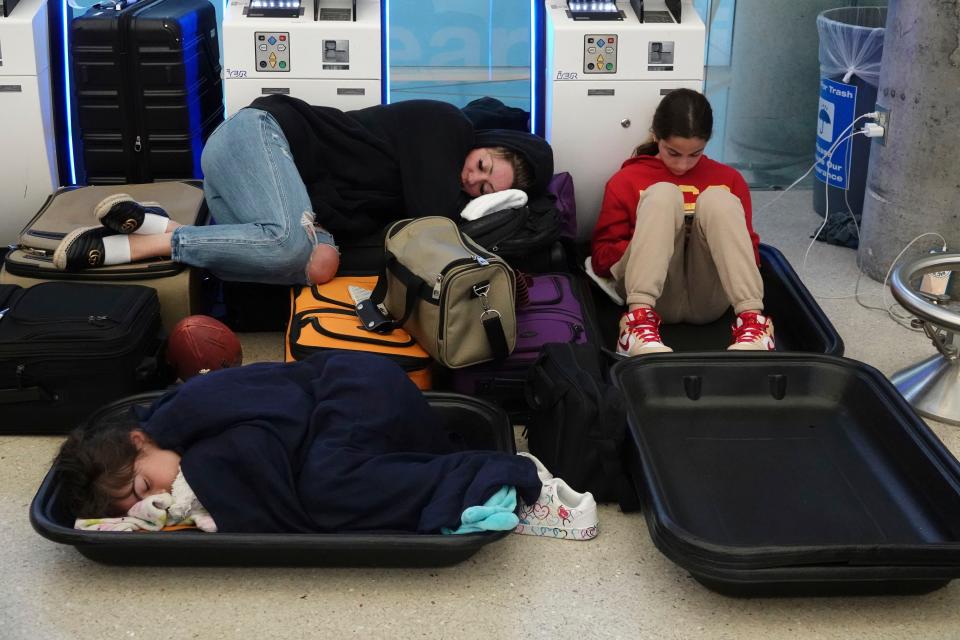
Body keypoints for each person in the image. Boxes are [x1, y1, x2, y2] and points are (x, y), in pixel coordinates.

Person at [52, 95, 554, 286]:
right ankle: (130, 247)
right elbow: (434, 221)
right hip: (262, 134)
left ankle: (159, 223)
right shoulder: (446, 125)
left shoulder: (442, 177)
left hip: (274, 191)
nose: (472, 181)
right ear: (485, 144)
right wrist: (490, 205)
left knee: (317, 265)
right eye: (482, 166)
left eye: (486, 187)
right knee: (287, 245)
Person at [54, 351, 544, 534]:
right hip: (350, 420)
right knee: (331, 483)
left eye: (144, 486)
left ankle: (497, 474)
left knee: (327, 487)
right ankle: (448, 470)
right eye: (140, 509)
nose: (158, 500)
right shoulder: (176, 442)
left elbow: (278, 424)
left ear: (140, 441)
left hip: (354, 389)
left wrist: (211, 477)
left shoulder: (191, 407)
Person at [591, 88, 774, 356]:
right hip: (650, 293)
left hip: (709, 297)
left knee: (718, 200)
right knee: (663, 193)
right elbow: (601, 259)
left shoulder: (729, 179)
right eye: (673, 153)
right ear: (656, 136)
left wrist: (702, 239)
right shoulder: (627, 179)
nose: (683, 165)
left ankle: (753, 323)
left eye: (695, 154)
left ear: (707, 143)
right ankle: (636, 324)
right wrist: (658, 240)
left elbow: (751, 255)